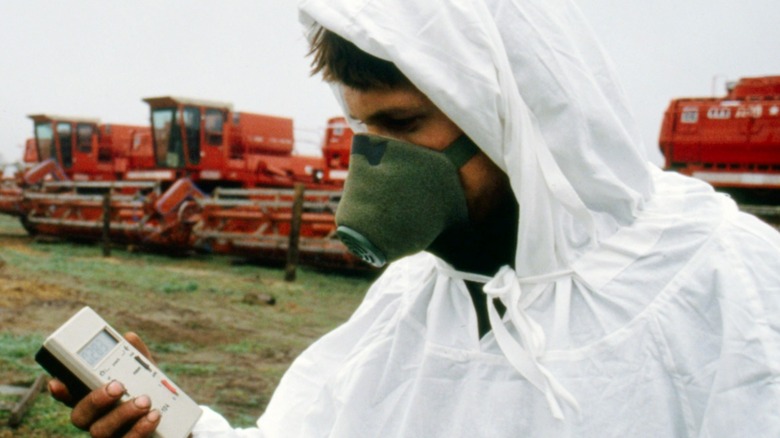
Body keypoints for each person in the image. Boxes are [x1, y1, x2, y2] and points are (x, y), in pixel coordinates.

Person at [50, 0, 780, 436]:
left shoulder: (718, 277)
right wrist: (176, 427)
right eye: (363, 127)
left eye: (402, 124)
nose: (375, 160)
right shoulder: (414, 302)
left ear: (509, 117)